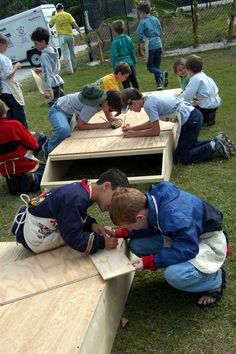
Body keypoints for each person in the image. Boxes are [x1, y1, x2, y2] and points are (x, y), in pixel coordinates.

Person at [107, 182, 230, 307]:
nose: (130, 229)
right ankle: (184, 265)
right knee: (137, 245)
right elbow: (153, 224)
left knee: (174, 275)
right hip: (186, 236)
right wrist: (122, 233)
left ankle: (215, 279)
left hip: (208, 241)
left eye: (129, 227)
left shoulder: (176, 217)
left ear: (139, 217)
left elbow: (188, 248)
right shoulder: (152, 203)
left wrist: (151, 261)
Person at [11, 168, 129, 254]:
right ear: (106, 186)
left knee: (78, 229)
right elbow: (73, 236)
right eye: (115, 198)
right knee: (74, 237)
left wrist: (92, 225)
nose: (115, 204)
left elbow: (75, 214)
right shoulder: (76, 198)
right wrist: (102, 242)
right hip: (34, 236)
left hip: (35, 223)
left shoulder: (83, 190)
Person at [121, 88, 236, 164]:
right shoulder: (149, 97)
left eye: (130, 108)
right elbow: (152, 122)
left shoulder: (149, 105)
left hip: (191, 121)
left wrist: (134, 134)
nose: (131, 110)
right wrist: (132, 128)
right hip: (193, 116)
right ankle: (217, 142)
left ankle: (214, 146)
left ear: (132, 102)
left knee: (180, 158)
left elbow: (155, 131)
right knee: (191, 145)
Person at [42, 84, 123, 158]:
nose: (110, 112)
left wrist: (118, 120)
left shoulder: (105, 99)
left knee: (67, 135)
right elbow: (80, 126)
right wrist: (102, 125)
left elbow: (110, 118)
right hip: (57, 110)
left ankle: (47, 140)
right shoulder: (91, 106)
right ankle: (47, 147)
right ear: (106, 102)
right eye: (111, 110)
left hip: (69, 114)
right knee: (64, 130)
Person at [0, 100, 45, 195]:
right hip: (23, 163)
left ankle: (15, 182)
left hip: (6, 168)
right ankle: (33, 179)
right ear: (4, 111)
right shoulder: (13, 125)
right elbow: (33, 145)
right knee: (45, 169)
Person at [180, 54, 221, 126]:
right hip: (215, 102)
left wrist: (177, 100)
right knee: (196, 103)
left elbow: (187, 96)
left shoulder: (195, 79)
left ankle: (200, 119)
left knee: (188, 108)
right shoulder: (203, 75)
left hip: (206, 105)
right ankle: (208, 117)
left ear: (189, 70)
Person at [136, 1, 168, 91]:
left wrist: (141, 40)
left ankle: (161, 74)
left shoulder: (142, 22)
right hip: (158, 44)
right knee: (156, 65)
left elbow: (139, 34)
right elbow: (161, 31)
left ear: (141, 12)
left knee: (150, 67)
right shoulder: (155, 19)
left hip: (150, 46)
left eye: (139, 13)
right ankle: (159, 84)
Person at [31, 27, 64, 106]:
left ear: (42, 42)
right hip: (59, 81)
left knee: (56, 108)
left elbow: (47, 73)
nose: (34, 46)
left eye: (36, 43)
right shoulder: (53, 50)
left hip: (52, 86)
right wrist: (41, 69)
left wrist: (47, 89)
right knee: (64, 105)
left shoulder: (44, 56)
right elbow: (53, 67)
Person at [0, 34, 28, 128]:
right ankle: (23, 131)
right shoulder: (3, 59)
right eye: (6, 46)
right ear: (1, 45)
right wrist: (16, 66)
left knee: (12, 110)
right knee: (19, 109)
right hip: (9, 89)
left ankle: (10, 129)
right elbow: (9, 74)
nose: (6, 48)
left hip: (3, 90)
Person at [49, 3, 83, 74]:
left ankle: (70, 70)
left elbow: (50, 25)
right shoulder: (68, 15)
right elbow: (74, 24)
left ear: (56, 10)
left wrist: (52, 16)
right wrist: (80, 33)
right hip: (70, 35)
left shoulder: (55, 16)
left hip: (62, 37)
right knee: (72, 52)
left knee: (66, 53)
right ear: (63, 8)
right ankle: (74, 66)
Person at [111, 20, 139, 90]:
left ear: (114, 31)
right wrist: (134, 61)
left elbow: (114, 56)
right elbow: (132, 51)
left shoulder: (115, 42)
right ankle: (138, 95)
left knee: (125, 83)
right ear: (123, 28)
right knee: (134, 80)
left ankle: (128, 97)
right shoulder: (128, 38)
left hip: (121, 66)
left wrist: (115, 68)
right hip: (130, 63)